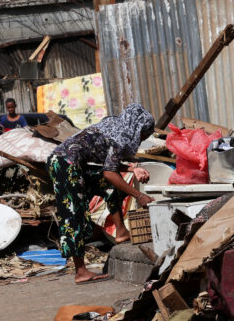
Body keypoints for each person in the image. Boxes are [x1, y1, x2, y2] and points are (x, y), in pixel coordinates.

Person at [46, 103, 156, 284]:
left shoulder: (116, 127)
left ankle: (121, 232)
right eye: (145, 134)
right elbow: (109, 172)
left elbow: (109, 165)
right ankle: (80, 271)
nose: (144, 138)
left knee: (111, 187)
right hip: (64, 163)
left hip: (75, 163)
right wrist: (139, 195)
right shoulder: (121, 136)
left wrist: (131, 168)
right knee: (74, 213)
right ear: (138, 128)